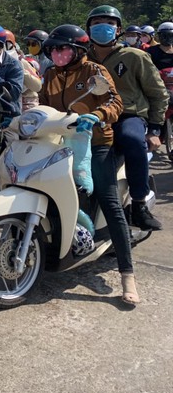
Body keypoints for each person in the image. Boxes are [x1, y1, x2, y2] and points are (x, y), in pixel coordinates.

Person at [37, 25, 138, 305]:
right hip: (59, 140)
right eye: (54, 49)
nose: (57, 54)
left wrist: (97, 115)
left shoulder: (95, 72)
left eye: (62, 48)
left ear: (78, 50)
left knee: (109, 201)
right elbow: (43, 104)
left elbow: (115, 102)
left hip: (95, 143)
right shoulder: (50, 74)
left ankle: (127, 274)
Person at [86, 5, 167, 231]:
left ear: (119, 28)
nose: (103, 27)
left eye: (109, 23)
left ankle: (139, 205)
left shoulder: (135, 56)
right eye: (96, 22)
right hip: (91, 117)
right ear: (88, 29)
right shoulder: (82, 58)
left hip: (128, 115)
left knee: (132, 139)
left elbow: (158, 94)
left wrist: (154, 131)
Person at [5, 30, 42, 112]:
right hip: (6, 106)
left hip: (27, 107)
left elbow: (37, 86)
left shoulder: (22, 62)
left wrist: (20, 70)